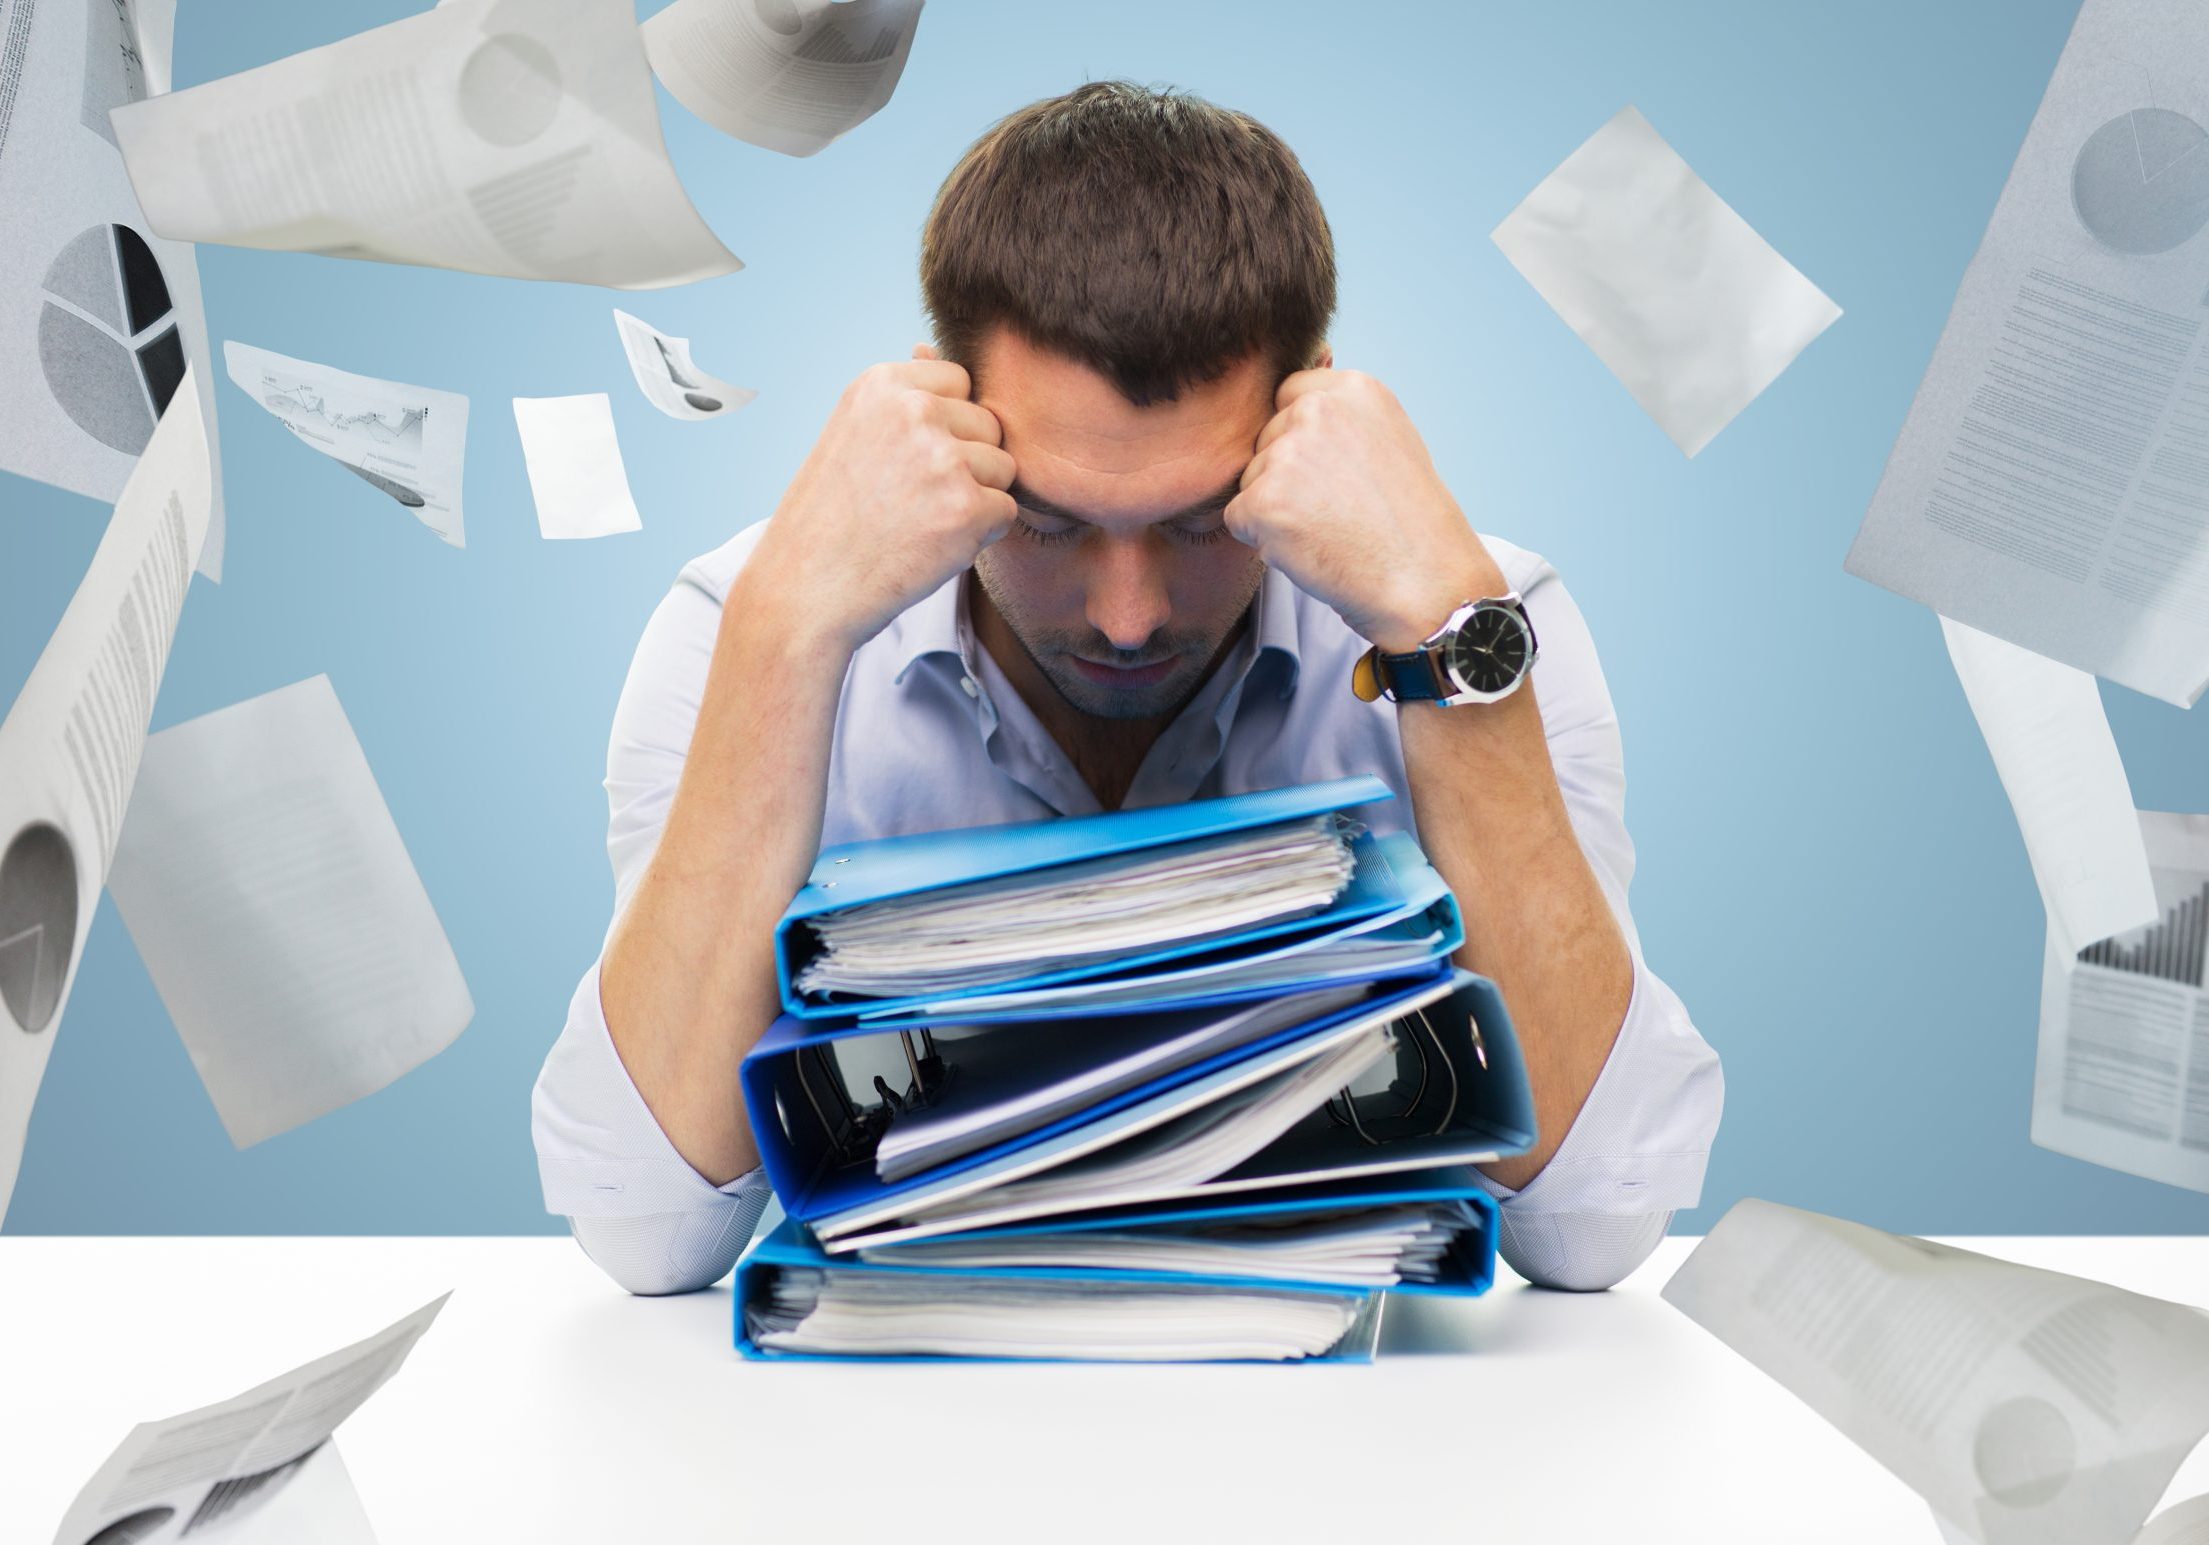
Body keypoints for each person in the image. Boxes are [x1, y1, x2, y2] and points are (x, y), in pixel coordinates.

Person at [532, 81, 1722, 1297]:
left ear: (1310, 414)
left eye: (1204, 523)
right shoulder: (751, 624)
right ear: (940, 410)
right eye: (1047, 525)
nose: (1127, 615)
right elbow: (645, 1233)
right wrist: (785, 637)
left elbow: (1591, 1233)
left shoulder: (1480, 622)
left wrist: (1442, 637)